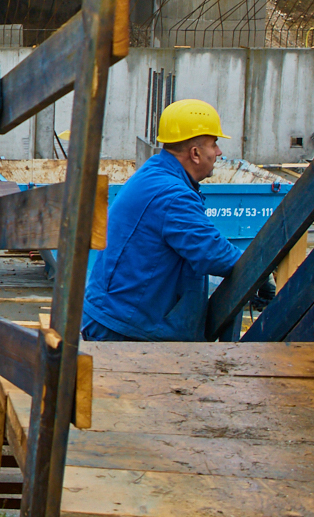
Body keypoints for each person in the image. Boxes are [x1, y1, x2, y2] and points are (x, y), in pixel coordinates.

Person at [82, 99, 242, 341]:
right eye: (214, 144)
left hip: (118, 319)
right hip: (124, 330)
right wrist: (258, 265)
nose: (218, 152)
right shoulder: (172, 194)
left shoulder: (156, 174)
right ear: (195, 153)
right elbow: (212, 253)